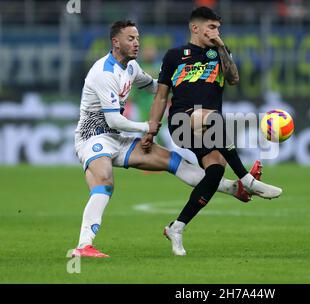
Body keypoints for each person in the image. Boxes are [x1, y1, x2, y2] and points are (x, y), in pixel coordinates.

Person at [71, 20, 261, 258]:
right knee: (105, 182)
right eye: (130, 39)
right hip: (92, 137)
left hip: (117, 139)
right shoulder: (104, 72)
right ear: (115, 42)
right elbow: (113, 121)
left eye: (138, 38)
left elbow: (156, 87)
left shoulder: (131, 68)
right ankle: (83, 246)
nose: (136, 43)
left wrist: (186, 85)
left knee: (175, 162)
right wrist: (147, 127)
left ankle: (235, 188)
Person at [142, 7, 282, 256]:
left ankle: (177, 227)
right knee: (216, 117)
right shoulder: (175, 55)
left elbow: (234, 78)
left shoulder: (219, 53)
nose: (216, 32)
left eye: (218, 28)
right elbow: (161, 96)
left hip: (207, 128)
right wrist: (150, 129)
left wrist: (222, 47)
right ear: (195, 28)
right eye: (212, 27)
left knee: (215, 171)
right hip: (182, 121)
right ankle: (247, 181)